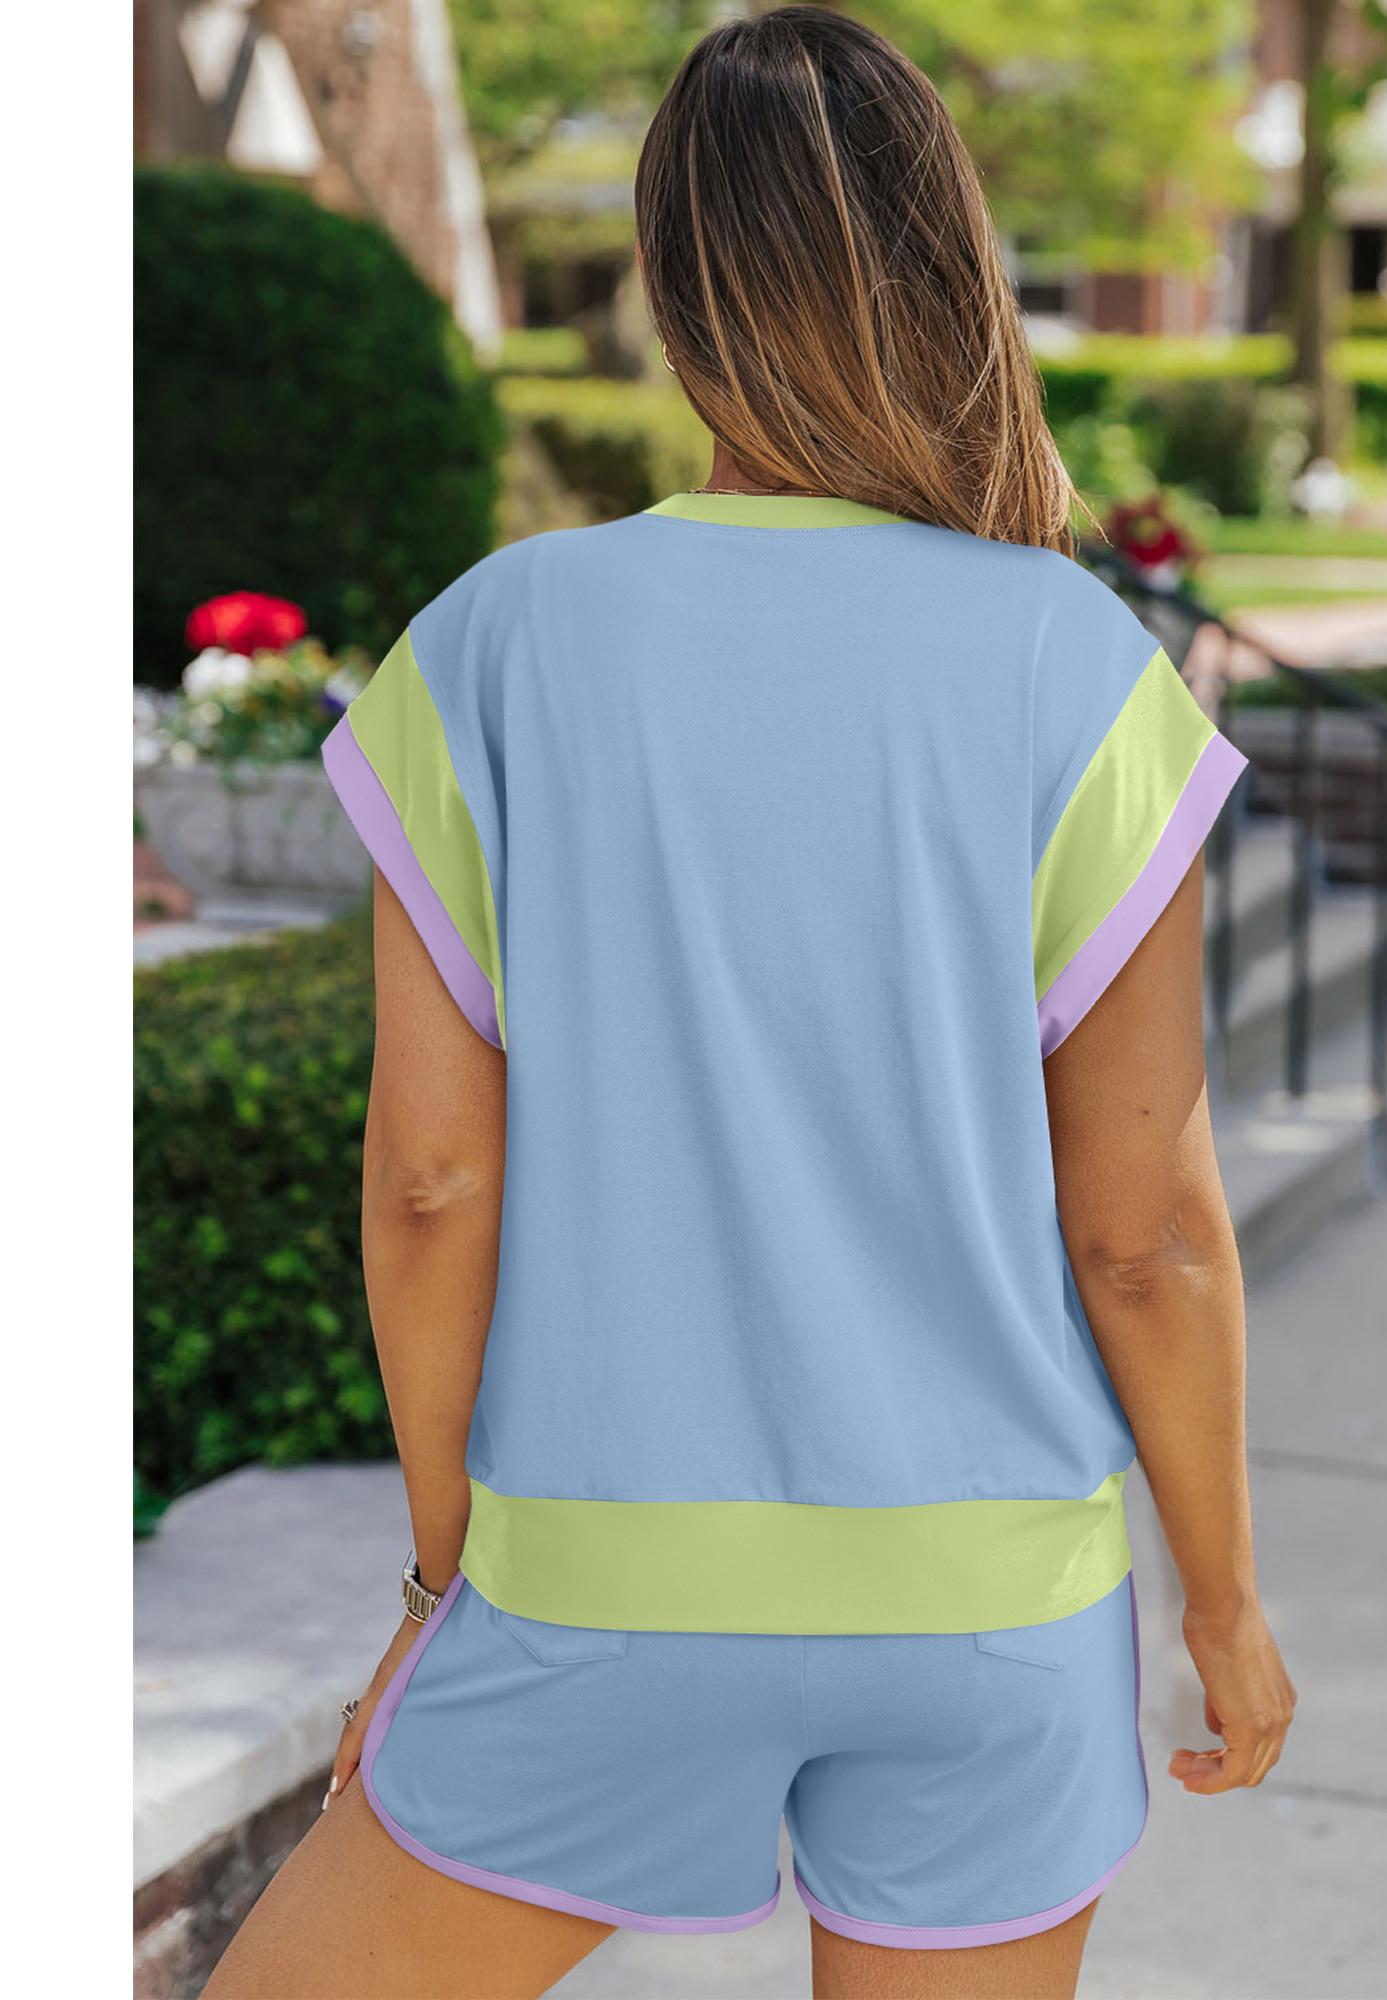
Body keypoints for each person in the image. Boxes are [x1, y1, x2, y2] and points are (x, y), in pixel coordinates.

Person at [205, 10, 1293, 1997]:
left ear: (666, 283)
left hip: (595, 1592)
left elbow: (432, 1187)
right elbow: (1143, 1230)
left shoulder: (495, 644)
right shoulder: (1076, 661)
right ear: (947, 259)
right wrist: (1219, 1602)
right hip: (995, 1603)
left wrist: (447, 1583)